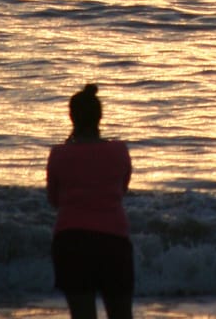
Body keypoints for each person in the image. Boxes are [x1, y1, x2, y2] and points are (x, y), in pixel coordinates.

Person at [46, 83, 134, 319]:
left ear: (71, 117)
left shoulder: (58, 154)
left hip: (71, 241)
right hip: (113, 241)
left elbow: (54, 200)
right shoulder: (119, 151)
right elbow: (121, 191)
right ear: (100, 117)